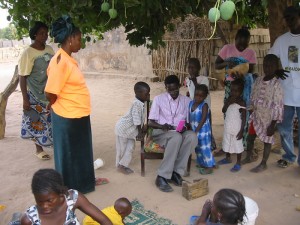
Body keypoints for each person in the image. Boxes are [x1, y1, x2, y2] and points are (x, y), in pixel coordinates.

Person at [45, 15, 107, 194]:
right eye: (79, 39)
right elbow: (50, 92)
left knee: (81, 153)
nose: (81, 42)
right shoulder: (60, 61)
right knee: (68, 156)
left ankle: (83, 185)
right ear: (70, 39)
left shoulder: (68, 59)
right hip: (66, 117)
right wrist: (56, 105)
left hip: (78, 115)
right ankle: (67, 190)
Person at [148, 75, 197, 192]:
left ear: (179, 86)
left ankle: (176, 172)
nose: (173, 92)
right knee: (176, 137)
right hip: (161, 132)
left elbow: (188, 122)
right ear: (166, 88)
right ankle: (161, 176)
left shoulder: (186, 101)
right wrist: (162, 126)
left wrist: (185, 127)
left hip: (178, 132)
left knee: (192, 136)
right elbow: (150, 122)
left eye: (175, 89)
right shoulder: (158, 99)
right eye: (170, 89)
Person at [20, 169, 112, 225]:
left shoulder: (73, 199)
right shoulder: (29, 220)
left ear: (60, 193)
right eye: (39, 201)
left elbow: (104, 220)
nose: (44, 206)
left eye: (49, 200)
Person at [268, 5, 300, 168]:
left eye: (292, 17)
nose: (289, 21)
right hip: (286, 92)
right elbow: (270, 57)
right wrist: (276, 70)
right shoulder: (282, 40)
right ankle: (288, 156)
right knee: (284, 127)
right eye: (286, 18)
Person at [215, 27, 257, 149]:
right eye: (240, 42)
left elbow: (252, 70)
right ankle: (228, 144)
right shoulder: (227, 49)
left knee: (243, 114)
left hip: (244, 86)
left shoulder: (251, 53)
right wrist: (227, 63)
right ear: (235, 39)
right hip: (230, 86)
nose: (242, 46)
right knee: (229, 112)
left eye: (246, 43)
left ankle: (241, 144)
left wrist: (242, 72)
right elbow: (217, 65)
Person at [19, 21, 54, 160]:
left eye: (46, 33)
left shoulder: (50, 49)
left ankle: (51, 143)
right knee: (36, 122)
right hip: (34, 93)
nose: (45, 36)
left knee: (50, 120)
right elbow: (22, 76)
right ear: (34, 35)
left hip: (48, 91)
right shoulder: (28, 53)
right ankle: (39, 149)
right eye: (41, 33)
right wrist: (25, 99)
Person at [242, 54, 284, 172]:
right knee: (250, 138)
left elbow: (278, 106)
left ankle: (263, 163)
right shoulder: (259, 80)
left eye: (271, 65)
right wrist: (250, 109)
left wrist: (273, 124)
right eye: (265, 65)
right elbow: (252, 95)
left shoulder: (277, 85)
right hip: (256, 115)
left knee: (267, 140)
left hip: (268, 119)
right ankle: (249, 156)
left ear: (276, 67)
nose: (267, 67)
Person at [115, 82, 150, 174]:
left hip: (129, 131)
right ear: (138, 93)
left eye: (149, 93)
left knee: (130, 147)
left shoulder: (142, 102)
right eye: (146, 94)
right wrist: (140, 132)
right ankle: (120, 166)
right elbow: (136, 119)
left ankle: (123, 165)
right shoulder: (136, 104)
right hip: (123, 130)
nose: (148, 96)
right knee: (122, 149)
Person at [219, 79, 246, 172]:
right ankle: (227, 158)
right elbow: (223, 110)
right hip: (228, 126)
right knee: (227, 143)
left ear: (241, 92)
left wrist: (242, 130)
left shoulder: (242, 103)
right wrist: (228, 103)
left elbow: (244, 118)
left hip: (237, 128)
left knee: (237, 145)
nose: (233, 93)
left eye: (236, 91)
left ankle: (238, 162)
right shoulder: (228, 99)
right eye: (232, 90)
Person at [188, 84, 215, 175]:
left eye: (201, 96)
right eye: (196, 95)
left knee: (205, 149)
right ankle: (202, 163)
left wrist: (196, 131)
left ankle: (209, 166)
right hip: (194, 130)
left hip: (203, 131)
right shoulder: (191, 103)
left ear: (205, 96)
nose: (198, 97)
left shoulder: (204, 105)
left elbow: (203, 119)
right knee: (198, 148)